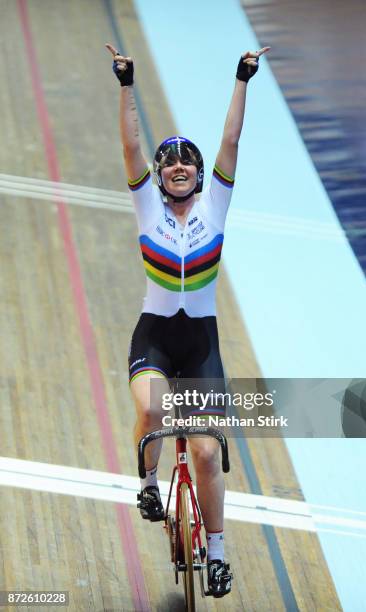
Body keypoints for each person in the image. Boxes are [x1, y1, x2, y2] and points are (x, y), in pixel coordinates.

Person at [106, 41, 269, 598]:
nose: (177, 166)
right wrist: (126, 84)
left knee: (204, 450)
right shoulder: (146, 206)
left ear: (199, 174)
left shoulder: (214, 206)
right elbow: (129, 144)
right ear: (158, 175)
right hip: (155, 334)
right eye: (168, 161)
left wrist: (242, 77)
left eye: (186, 160)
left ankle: (219, 554)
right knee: (151, 407)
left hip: (200, 341)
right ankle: (148, 482)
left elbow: (230, 140)